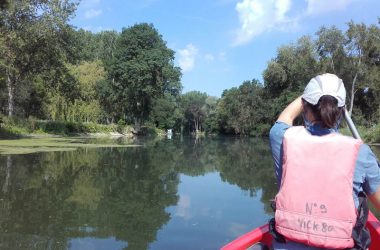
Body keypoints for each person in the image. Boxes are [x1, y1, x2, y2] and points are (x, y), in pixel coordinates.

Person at [269, 73, 380, 250]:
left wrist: (310, 95)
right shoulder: (361, 152)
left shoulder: (282, 139)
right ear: (342, 110)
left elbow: (284, 119)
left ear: (305, 105)